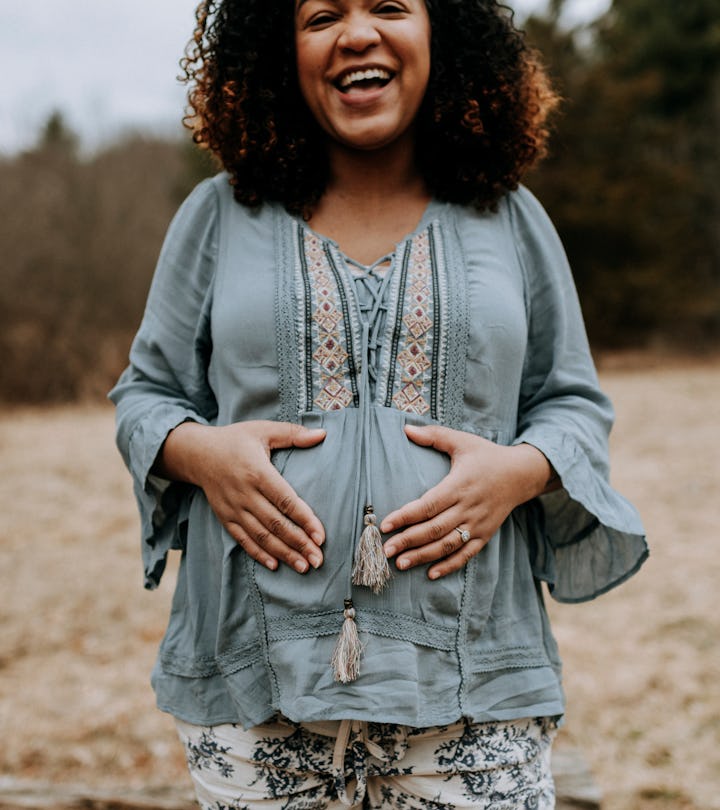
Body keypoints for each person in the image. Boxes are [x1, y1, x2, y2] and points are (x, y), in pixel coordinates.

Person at [110, 0, 648, 807]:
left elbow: (571, 401)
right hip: (256, 684)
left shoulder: (510, 218)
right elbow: (145, 395)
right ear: (278, 52)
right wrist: (200, 454)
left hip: (472, 683)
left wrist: (521, 470)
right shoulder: (217, 215)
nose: (358, 34)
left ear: (444, 36)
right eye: (321, 14)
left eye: (390, 6)